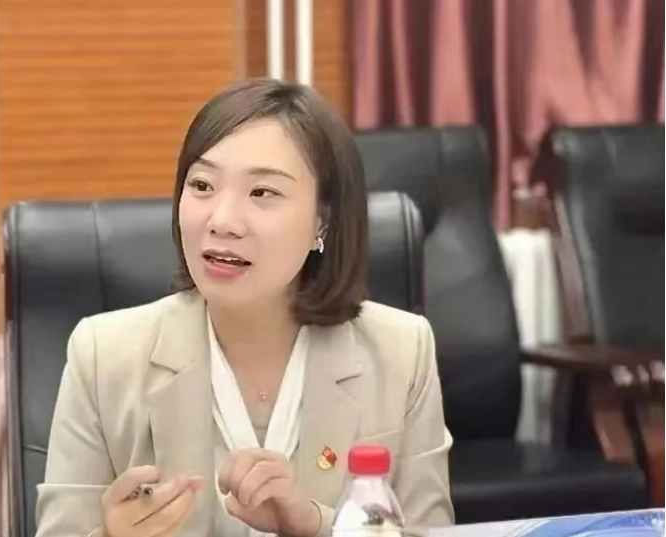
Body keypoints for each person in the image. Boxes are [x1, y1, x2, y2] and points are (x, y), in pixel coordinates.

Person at [35, 79, 454, 537]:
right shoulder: (103, 355)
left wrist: (314, 524)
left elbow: (428, 532)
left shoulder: (401, 352)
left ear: (323, 220)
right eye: (202, 185)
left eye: (262, 193)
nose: (222, 221)